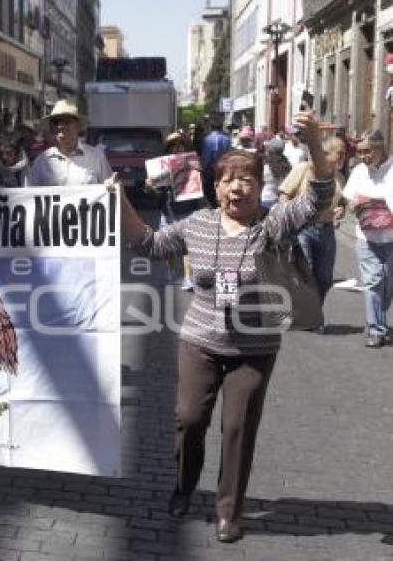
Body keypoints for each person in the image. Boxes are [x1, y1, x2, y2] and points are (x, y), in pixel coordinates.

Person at [112, 111, 334, 543]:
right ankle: (183, 486)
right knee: (189, 420)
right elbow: (148, 243)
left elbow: (318, 196)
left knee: (238, 429)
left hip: (255, 349)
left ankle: (228, 512)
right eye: (228, 179)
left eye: (247, 179)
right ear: (215, 187)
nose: (238, 187)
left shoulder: (272, 226)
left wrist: (314, 147)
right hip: (200, 343)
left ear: (257, 186)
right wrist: (118, 197)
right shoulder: (198, 224)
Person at [278, 136, 347, 315]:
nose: (342, 157)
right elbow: (284, 193)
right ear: (324, 154)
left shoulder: (339, 177)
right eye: (338, 153)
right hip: (303, 228)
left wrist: (341, 210)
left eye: (344, 153)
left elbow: (342, 202)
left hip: (327, 230)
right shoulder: (304, 169)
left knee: (324, 279)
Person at [341, 130, 393, 348]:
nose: (362, 156)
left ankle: (379, 322)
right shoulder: (359, 171)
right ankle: (376, 329)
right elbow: (348, 198)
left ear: (380, 148)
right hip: (366, 237)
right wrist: (352, 205)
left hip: (391, 238)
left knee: (387, 285)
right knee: (373, 282)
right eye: (359, 151)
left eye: (367, 151)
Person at [147, 132, 201, 290]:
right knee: (168, 244)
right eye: (173, 146)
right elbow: (155, 193)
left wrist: (199, 173)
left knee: (187, 245)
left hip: (188, 209)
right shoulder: (161, 165)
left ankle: (188, 278)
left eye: (180, 145)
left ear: (185, 147)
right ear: (168, 149)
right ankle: (171, 272)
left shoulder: (192, 162)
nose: (177, 148)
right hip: (168, 209)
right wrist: (150, 186)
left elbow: (201, 185)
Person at [25, 99, 112, 187]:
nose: (61, 126)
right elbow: (29, 195)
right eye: (56, 122)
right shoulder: (41, 161)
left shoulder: (96, 157)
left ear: (77, 126)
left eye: (67, 121)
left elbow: (111, 191)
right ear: (52, 129)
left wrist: (112, 185)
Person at [201, 115, 231, 207]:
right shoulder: (227, 139)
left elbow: (206, 157)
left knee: (210, 192)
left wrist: (204, 169)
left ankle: (213, 207)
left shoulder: (207, 139)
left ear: (211, 127)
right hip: (224, 168)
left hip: (211, 169)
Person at [260, 137, 291, 209]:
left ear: (269, 150)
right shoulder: (286, 164)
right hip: (279, 201)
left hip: (264, 201)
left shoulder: (265, 165)